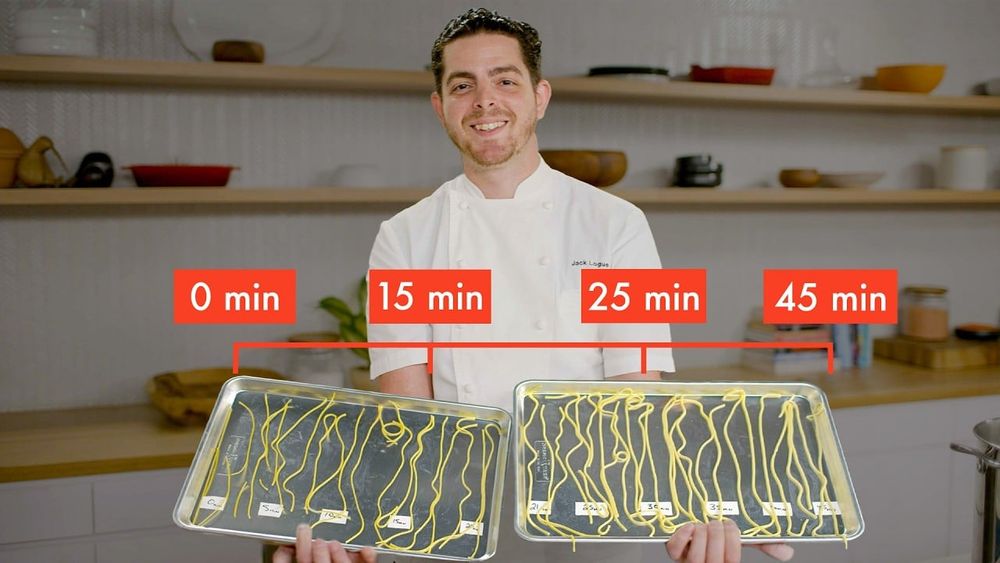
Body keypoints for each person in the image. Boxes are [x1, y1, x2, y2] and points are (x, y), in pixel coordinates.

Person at [277, 8, 794, 563]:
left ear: (540, 97)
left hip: (596, 511)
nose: (484, 101)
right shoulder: (405, 238)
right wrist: (360, 525)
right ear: (440, 108)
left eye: (505, 80)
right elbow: (410, 421)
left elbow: (638, 396)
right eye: (462, 86)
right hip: (459, 515)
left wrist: (695, 503)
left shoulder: (615, 224)